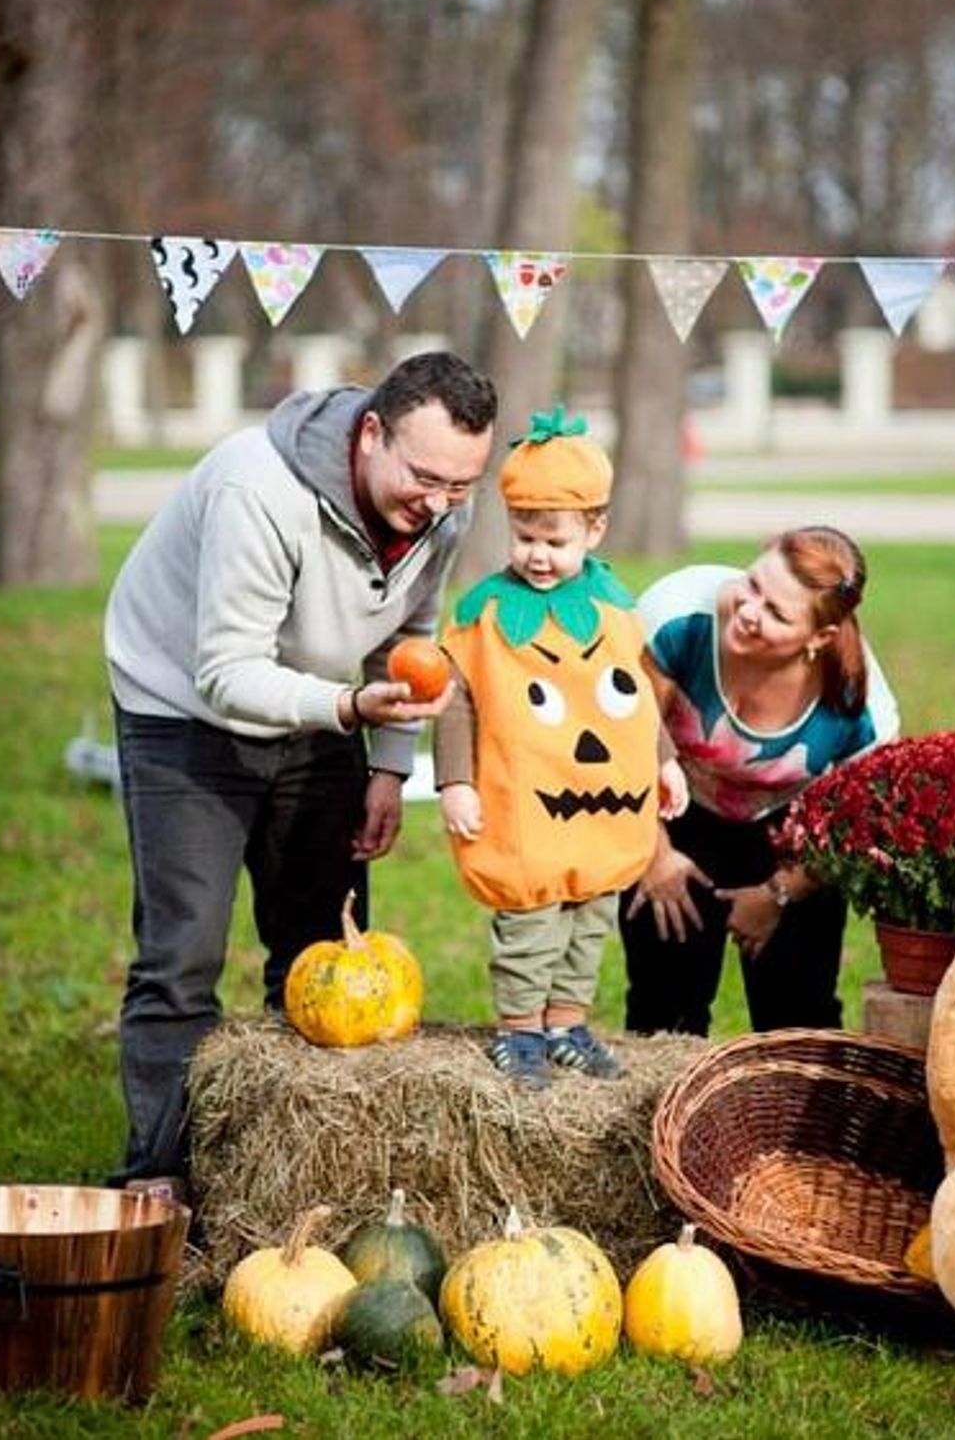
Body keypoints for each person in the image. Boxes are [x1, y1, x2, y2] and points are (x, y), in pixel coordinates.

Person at [104, 351, 496, 1194]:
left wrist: (389, 770)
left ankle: (303, 1173)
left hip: (329, 699)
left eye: (461, 485)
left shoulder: (442, 512)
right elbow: (227, 673)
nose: (437, 502)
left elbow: (413, 639)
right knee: (183, 953)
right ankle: (161, 1178)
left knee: (323, 946)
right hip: (184, 706)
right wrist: (352, 709)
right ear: (368, 434)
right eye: (424, 475)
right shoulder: (260, 489)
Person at [434, 406, 686, 1090]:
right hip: (527, 798)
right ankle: (519, 1031)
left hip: (601, 802)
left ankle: (566, 1023)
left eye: (555, 539)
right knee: (529, 919)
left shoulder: (612, 605)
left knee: (589, 918)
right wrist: (454, 780)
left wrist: (664, 760)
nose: (537, 554)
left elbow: (633, 694)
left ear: (594, 529)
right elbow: (456, 698)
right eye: (524, 536)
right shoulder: (483, 614)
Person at [619, 524, 899, 1038]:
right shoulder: (678, 614)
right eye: (752, 585)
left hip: (792, 835)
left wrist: (780, 894)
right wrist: (653, 855)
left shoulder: (863, 709)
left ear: (821, 638)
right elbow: (626, 736)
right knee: (664, 1015)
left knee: (797, 1018)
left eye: (776, 613)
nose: (748, 611)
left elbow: (856, 823)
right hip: (672, 809)